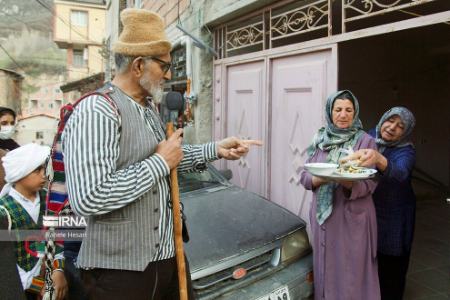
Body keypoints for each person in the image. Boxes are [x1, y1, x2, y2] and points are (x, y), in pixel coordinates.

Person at [61, 8, 261, 300]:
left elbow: (172, 155)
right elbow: (90, 197)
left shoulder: (146, 108)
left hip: (167, 257)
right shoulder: (98, 110)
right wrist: (158, 163)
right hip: (121, 274)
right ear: (139, 65)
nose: (169, 74)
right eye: (164, 66)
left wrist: (216, 149)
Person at [300, 90, 380, 300]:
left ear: (355, 113)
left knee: (351, 272)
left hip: (352, 218)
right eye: (338, 109)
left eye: (348, 110)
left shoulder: (366, 141)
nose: (343, 115)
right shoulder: (319, 138)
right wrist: (323, 177)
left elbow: (369, 184)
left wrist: (343, 178)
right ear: (330, 112)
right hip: (323, 218)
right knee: (325, 268)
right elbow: (305, 177)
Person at [341, 107, 416, 300]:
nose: (392, 128)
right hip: (369, 208)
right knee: (368, 258)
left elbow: (401, 173)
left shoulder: (406, 150)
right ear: (383, 119)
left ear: (405, 132)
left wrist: (379, 158)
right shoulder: (369, 137)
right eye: (390, 121)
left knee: (392, 264)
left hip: (395, 216)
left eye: (400, 126)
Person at [0, 143, 67, 300]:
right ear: (19, 173)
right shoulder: (4, 210)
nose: (44, 175)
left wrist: (58, 271)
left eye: (45, 168)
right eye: (37, 170)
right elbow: (6, 263)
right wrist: (37, 285)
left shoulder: (48, 200)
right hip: (17, 286)